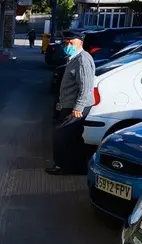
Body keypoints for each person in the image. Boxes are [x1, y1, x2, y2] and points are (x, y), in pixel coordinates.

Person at [46, 31, 95, 176]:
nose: (67, 44)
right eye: (66, 41)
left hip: (75, 106)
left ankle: (63, 166)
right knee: (74, 137)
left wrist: (78, 106)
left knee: (62, 136)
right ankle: (78, 167)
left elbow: (85, 86)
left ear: (80, 41)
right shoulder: (75, 58)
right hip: (70, 104)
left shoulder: (82, 60)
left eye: (71, 42)